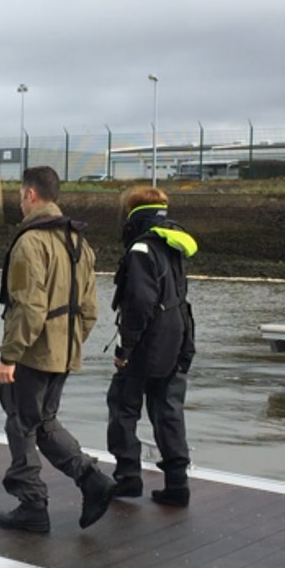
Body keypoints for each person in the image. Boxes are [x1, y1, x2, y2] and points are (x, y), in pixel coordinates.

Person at [0, 166, 115, 533]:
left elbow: (28, 306)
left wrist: (9, 355)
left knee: (21, 422)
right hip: (64, 352)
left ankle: (33, 504)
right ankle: (92, 480)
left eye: (19, 195)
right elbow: (91, 309)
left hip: (32, 352)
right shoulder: (79, 241)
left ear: (31, 195)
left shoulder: (31, 242)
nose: (18, 201)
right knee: (42, 422)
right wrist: (70, 343)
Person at [106, 187, 197, 507]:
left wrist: (124, 350)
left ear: (132, 213)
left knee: (122, 406)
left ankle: (127, 477)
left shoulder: (141, 248)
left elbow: (140, 305)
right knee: (169, 411)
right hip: (178, 337)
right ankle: (177, 483)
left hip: (148, 343)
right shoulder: (173, 242)